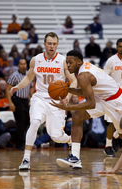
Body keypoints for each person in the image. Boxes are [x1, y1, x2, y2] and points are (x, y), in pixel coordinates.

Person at [52, 50, 122, 169]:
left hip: (117, 101)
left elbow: (90, 103)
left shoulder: (83, 76)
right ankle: (75, 157)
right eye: (67, 62)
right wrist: (67, 89)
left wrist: (68, 107)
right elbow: (86, 92)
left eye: (70, 62)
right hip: (102, 99)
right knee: (77, 116)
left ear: (79, 62)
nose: (68, 65)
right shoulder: (83, 69)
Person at [9, 32, 77, 170]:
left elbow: (74, 81)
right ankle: (26, 159)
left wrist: (67, 97)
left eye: (54, 44)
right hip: (39, 97)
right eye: (49, 43)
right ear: (45, 44)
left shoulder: (64, 61)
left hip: (56, 101)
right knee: (34, 123)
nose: (51, 46)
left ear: (57, 45)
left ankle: (70, 140)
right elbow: (29, 78)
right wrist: (18, 86)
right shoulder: (36, 59)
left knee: (56, 136)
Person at [5, 59, 32, 149]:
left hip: (25, 101)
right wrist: (10, 102)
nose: (23, 65)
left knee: (27, 122)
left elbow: (31, 87)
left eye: (25, 64)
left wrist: (31, 98)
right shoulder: (14, 75)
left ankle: (13, 139)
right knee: (21, 122)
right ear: (18, 65)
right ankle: (20, 142)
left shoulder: (30, 74)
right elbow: (7, 89)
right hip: (17, 100)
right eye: (21, 64)